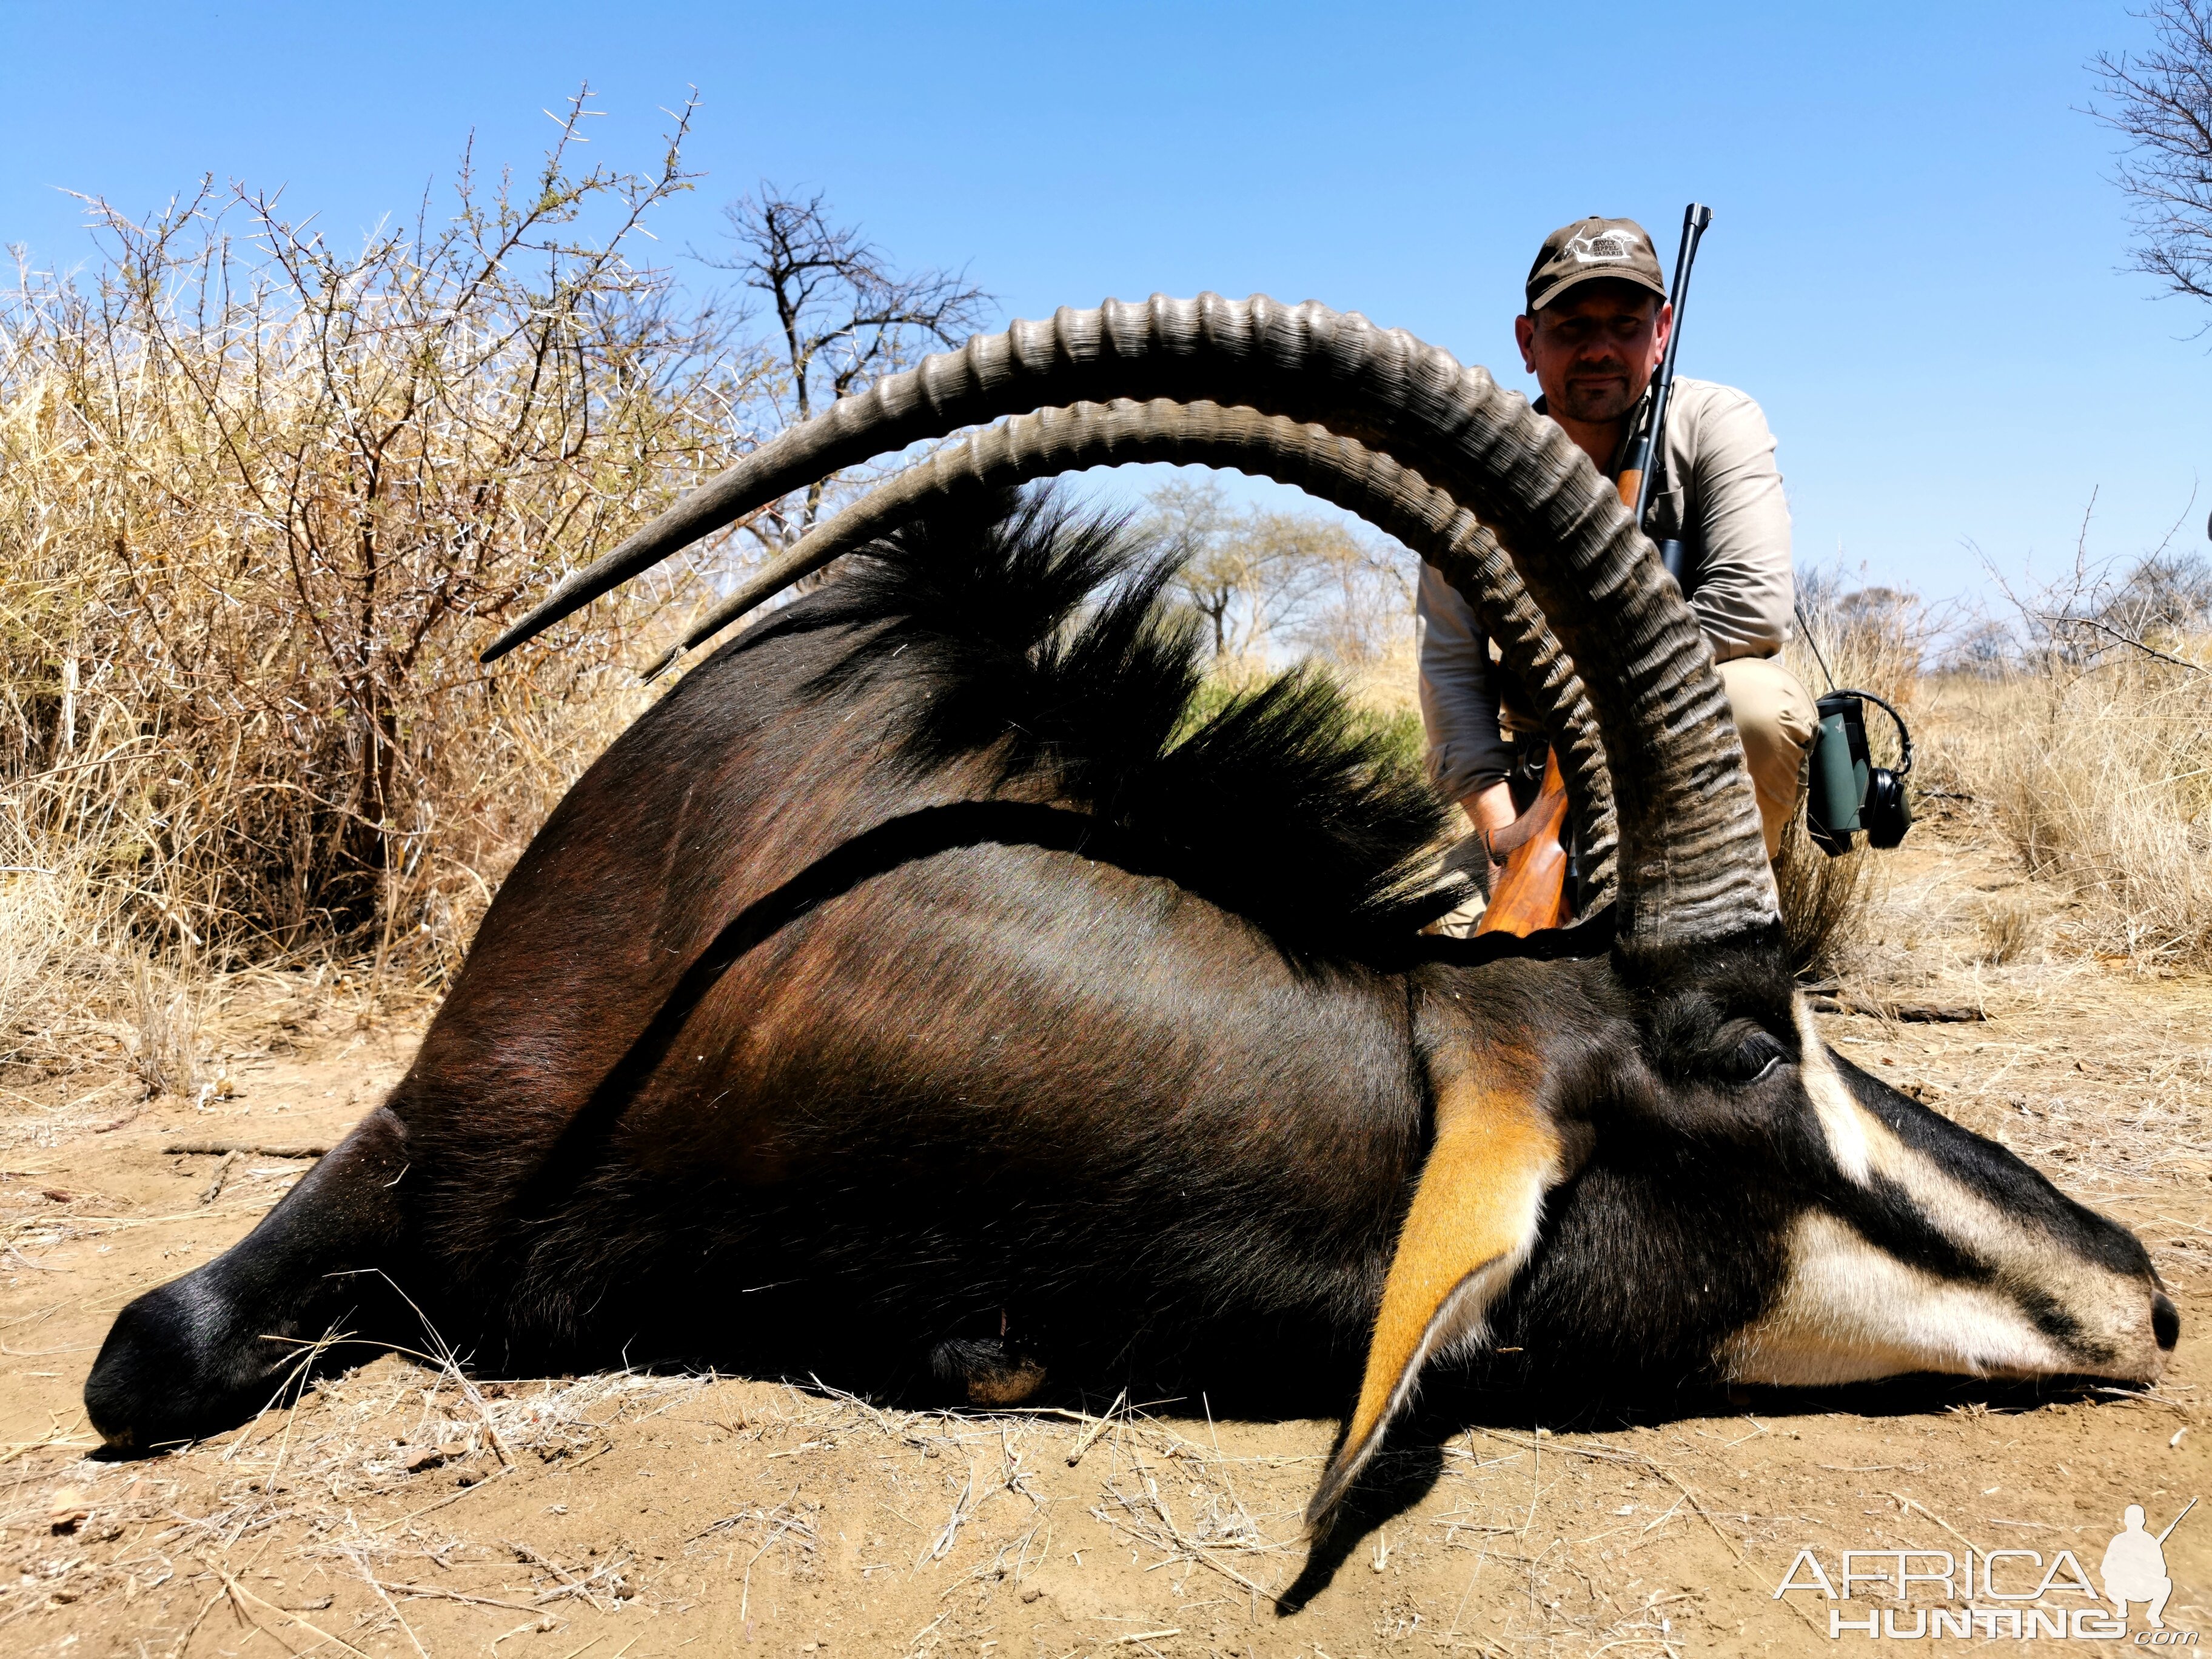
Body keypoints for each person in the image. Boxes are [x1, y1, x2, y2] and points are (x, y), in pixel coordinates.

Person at [1420, 215, 1814, 907]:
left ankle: (1724, 909)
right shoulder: (1471, 471)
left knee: (1758, 705)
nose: (1600, 348)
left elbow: (1752, 608)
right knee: (1426, 930)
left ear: (1660, 334)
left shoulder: (1716, 421)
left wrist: (1593, 702)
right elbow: (1452, 671)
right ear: (1527, 341)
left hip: (1678, 744)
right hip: (1539, 779)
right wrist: (1507, 842)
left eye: (1626, 325)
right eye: (1572, 327)